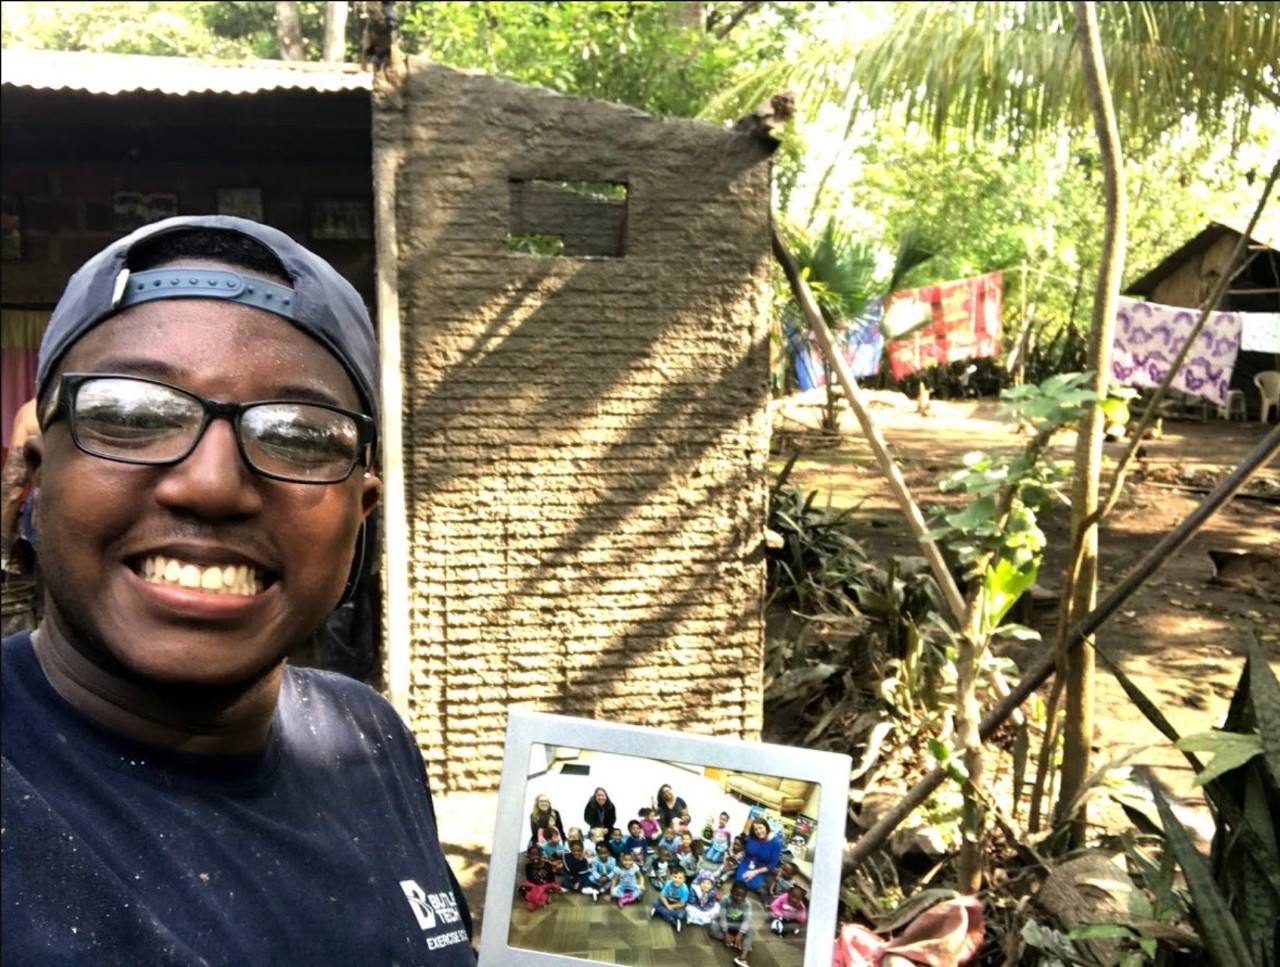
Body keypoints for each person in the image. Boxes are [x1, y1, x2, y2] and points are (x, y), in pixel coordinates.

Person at [0, 216, 474, 964]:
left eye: (298, 432)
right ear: (34, 476)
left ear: (362, 510)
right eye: (131, 413)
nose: (213, 486)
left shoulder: (370, 737)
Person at [711, 881, 755, 966]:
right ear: (731, 891)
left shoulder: (747, 904)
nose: (739, 898)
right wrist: (725, 933)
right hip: (726, 923)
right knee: (713, 929)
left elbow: (747, 919)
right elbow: (722, 916)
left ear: (746, 895)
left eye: (743, 896)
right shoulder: (725, 900)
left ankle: (742, 957)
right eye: (736, 895)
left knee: (751, 932)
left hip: (738, 926)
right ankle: (734, 940)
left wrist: (741, 933)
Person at [736, 819, 783, 892]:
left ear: (766, 827)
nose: (758, 831)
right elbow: (744, 849)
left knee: (753, 885)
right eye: (756, 829)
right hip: (746, 863)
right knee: (740, 880)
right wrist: (740, 853)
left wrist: (755, 872)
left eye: (760, 828)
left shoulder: (776, 843)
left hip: (761, 869)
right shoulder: (751, 837)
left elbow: (772, 864)